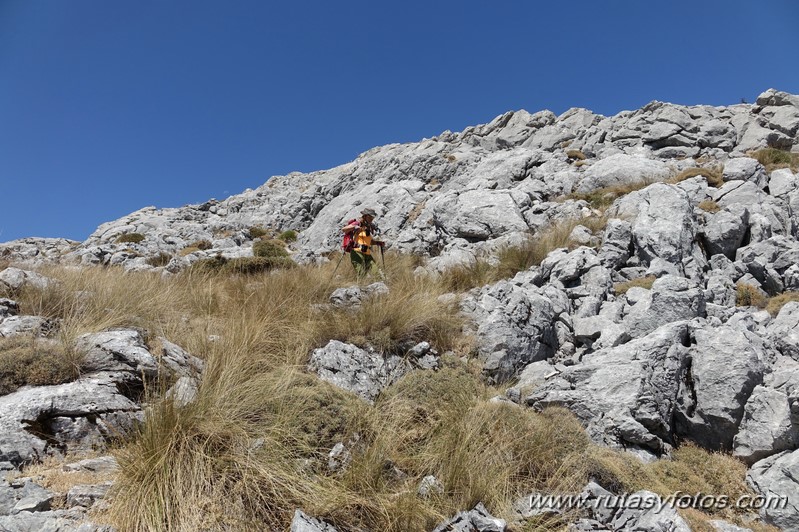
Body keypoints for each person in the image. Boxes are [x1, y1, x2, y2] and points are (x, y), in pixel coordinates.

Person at [342, 208, 385, 277]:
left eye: (373, 217)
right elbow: (344, 229)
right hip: (357, 252)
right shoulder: (357, 223)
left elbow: (368, 242)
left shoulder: (369, 227)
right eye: (370, 216)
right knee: (361, 274)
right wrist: (354, 227)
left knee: (376, 273)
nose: (372, 218)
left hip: (367, 253)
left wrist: (377, 243)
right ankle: (361, 286)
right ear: (365, 216)